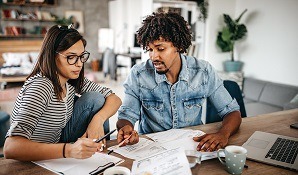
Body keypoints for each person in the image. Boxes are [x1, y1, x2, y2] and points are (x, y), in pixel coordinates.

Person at [116, 12, 242, 152]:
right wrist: (126, 128)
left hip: (193, 148)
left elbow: (232, 112)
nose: (153, 56)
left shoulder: (203, 71)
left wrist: (223, 134)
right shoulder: (138, 75)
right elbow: (126, 116)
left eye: (160, 49)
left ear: (179, 46)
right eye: (150, 50)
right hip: (153, 150)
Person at [3, 24, 122, 161]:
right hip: (34, 157)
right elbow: (10, 147)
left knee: (96, 99)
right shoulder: (41, 86)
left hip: (58, 145)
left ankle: (100, 155)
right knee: (94, 99)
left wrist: (97, 120)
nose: (79, 64)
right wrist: (69, 150)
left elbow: (115, 99)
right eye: (71, 57)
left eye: (82, 56)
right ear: (52, 56)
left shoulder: (72, 80)